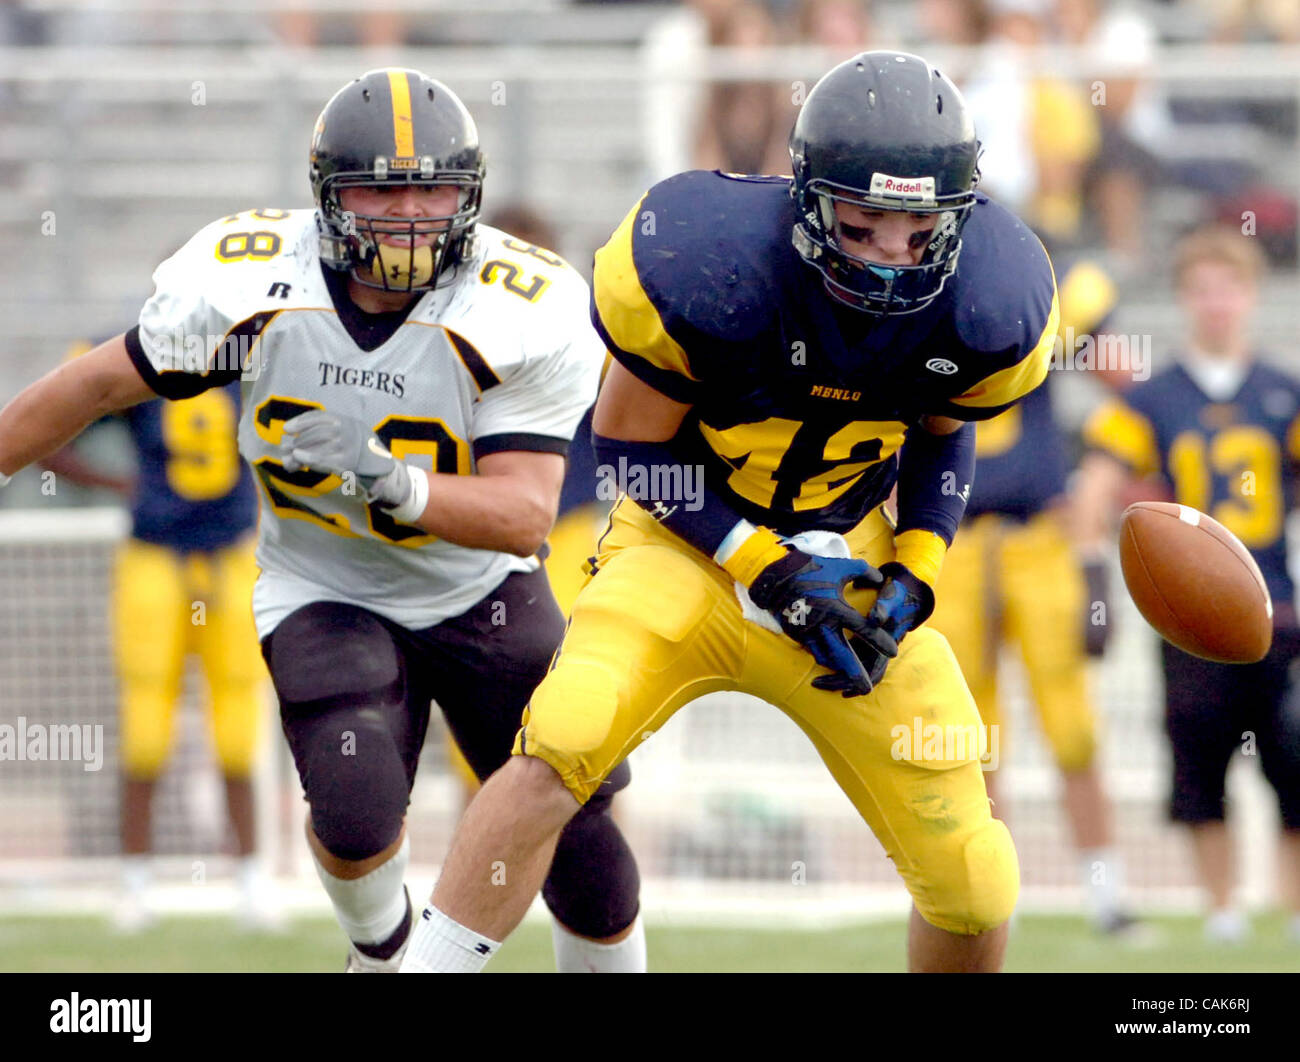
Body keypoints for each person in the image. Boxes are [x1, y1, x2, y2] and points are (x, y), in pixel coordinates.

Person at [400, 51, 1059, 974]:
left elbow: (947, 433)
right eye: (862, 228)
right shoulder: (707, 264)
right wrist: (766, 568)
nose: (888, 260)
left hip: (853, 556)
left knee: (975, 876)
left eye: (917, 231)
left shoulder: (992, 297)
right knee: (564, 739)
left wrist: (918, 569)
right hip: (690, 547)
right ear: (806, 201)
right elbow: (631, 451)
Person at [0, 68, 643, 973]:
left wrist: (388, 478)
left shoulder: (517, 304)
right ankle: (382, 957)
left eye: (432, 187)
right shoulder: (256, 287)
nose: (411, 212)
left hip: (479, 588)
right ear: (329, 195)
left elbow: (522, 516)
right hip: (325, 581)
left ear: (470, 193)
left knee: (577, 830)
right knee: (352, 806)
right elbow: (95, 384)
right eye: (383, 186)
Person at [1076, 225, 1300, 943]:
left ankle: (1294, 908)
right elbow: (1095, 486)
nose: (1216, 303)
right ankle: (1222, 908)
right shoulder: (1151, 399)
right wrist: (1091, 574)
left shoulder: (1283, 392)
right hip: (1191, 621)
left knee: (1293, 760)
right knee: (1201, 764)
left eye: (1228, 288)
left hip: (1278, 608)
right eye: (1202, 289)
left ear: (1249, 296)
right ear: (1182, 299)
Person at [926, 252, 1136, 934]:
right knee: (973, 735)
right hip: (954, 543)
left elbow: (1124, 376)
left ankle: (1104, 892)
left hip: (1039, 538)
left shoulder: (1036, 306)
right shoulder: (915, 314)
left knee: (1071, 727)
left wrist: (1096, 494)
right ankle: (995, 897)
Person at [42, 355, 275, 933]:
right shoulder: (135, 354)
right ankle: (135, 884)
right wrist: (120, 483)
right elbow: (47, 428)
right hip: (155, 558)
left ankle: (250, 882)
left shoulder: (263, 345)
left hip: (229, 555)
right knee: (145, 732)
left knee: (237, 734)